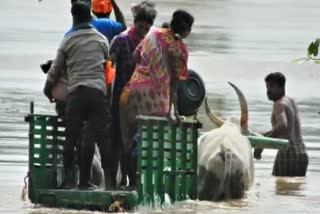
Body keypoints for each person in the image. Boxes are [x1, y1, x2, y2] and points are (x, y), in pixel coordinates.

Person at [43, 1, 115, 189]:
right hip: (98, 93)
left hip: (77, 94)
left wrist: (47, 90)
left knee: (71, 137)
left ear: (74, 17)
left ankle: (68, 181)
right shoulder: (101, 40)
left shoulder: (68, 40)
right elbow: (106, 67)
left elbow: (55, 70)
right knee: (96, 137)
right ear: (90, 17)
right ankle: (101, 183)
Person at [119, 10, 194, 186]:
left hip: (131, 91)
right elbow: (175, 83)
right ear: (187, 30)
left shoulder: (152, 33)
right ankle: (142, 185)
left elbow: (135, 56)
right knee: (148, 141)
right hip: (155, 97)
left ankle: (129, 183)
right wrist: (172, 113)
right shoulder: (180, 49)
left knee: (128, 139)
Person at [109, 5, 157, 186]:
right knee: (117, 140)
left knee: (135, 142)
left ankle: (131, 182)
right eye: (141, 27)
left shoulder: (149, 44)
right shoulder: (120, 40)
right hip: (120, 98)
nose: (143, 32)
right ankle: (114, 181)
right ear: (135, 23)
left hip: (141, 100)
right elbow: (109, 65)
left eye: (147, 29)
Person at [254, 72, 309, 176]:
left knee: (281, 189)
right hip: (301, 152)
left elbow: (282, 126)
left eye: (271, 87)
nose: (268, 91)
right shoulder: (290, 101)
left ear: (281, 86)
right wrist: (264, 135)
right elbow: (286, 129)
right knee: (295, 189)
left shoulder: (278, 104)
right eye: (267, 87)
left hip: (287, 152)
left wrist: (262, 145)